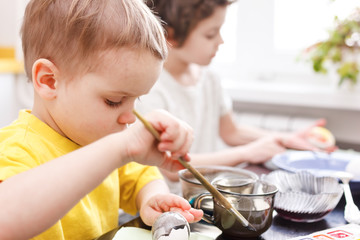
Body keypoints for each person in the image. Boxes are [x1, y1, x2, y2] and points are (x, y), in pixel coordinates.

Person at [0, 0, 203, 239]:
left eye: (135, 101)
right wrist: (118, 148)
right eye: (114, 101)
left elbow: (141, 177)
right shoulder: (17, 149)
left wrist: (152, 197)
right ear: (49, 81)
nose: (129, 118)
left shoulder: (96, 136)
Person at [138, 0, 333, 185]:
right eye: (210, 34)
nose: (221, 41)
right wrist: (246, 153)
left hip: (206, 194)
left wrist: (284, 138)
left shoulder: (209, 78)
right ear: (169, 35)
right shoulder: (150, 87)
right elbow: (170, 168)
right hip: (168, 202)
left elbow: (232, 132)